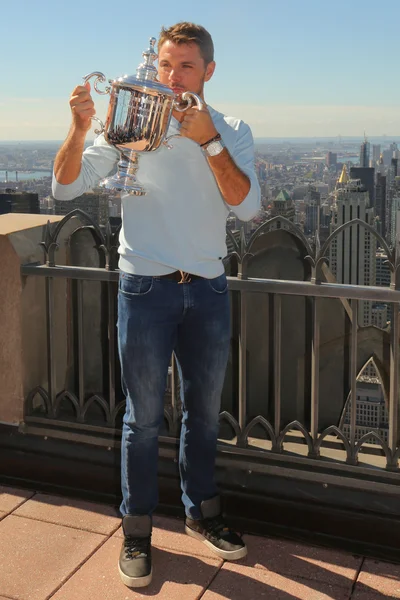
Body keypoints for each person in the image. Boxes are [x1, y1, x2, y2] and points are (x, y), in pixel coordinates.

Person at [52, 22, 261, 589]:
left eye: (186, 66)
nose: (172, 78)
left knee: (203, 412)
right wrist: (77, 129)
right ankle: (137, 530)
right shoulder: (129, 122)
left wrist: (208, 140)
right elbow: (67, 187)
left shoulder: (232, 129)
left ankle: (203, 514)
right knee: (142, 419)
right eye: (166, 65)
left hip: (209, 289)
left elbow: (247, 207)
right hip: (145, 287)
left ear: (209, 71)